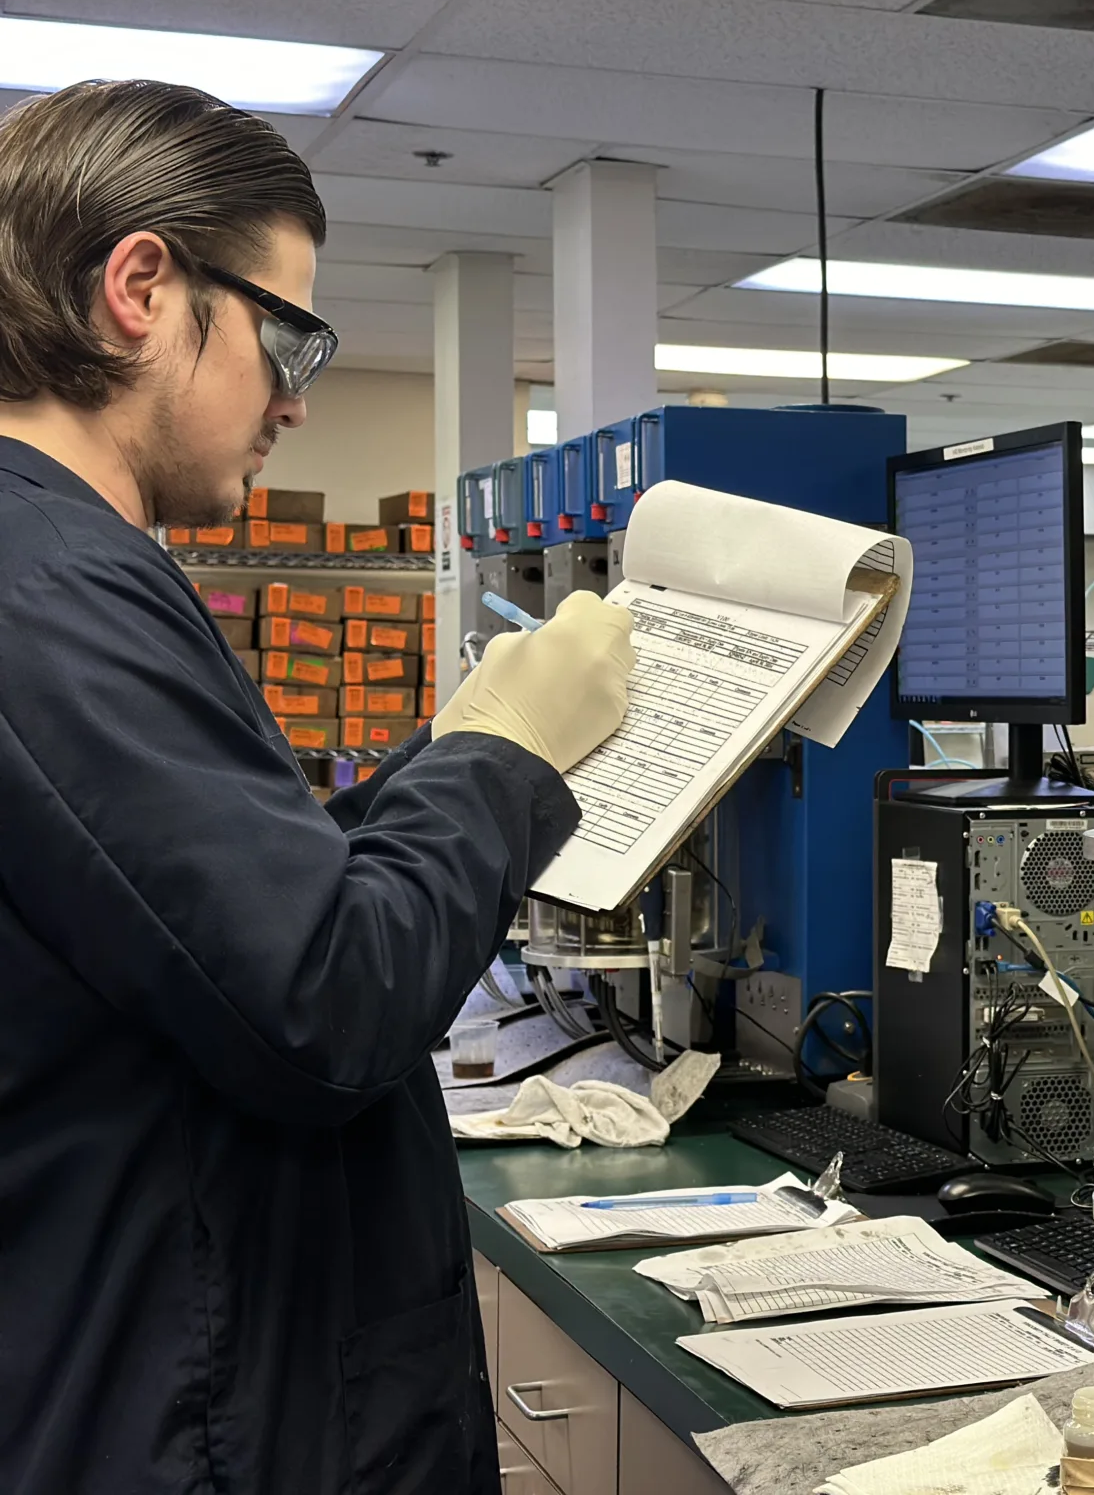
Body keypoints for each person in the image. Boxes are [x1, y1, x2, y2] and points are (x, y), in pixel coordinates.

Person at [0, 80, 637, 1493]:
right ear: (145, 288)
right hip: (178, 1421)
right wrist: (503, 760)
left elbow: (204, 923)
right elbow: (322, 1001)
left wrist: (443, 757)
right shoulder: (47, 586)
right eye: (291, 335)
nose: (297, 396)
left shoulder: (69, 575)